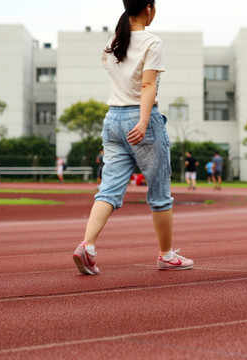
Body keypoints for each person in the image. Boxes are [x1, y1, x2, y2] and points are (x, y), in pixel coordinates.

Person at [72, 0, 193, 275]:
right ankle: (166, 255)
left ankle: (88, 245)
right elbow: (148, 84)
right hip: (141, 120)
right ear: (149, 8)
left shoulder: (115, 41)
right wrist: (142, 120)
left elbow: (118, 78)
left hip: (112, 119)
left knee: (109, 188)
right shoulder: (152, 42)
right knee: (160, 193)